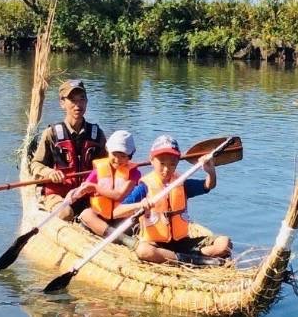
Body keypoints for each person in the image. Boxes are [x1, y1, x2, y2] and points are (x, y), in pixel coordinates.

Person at [114, 135, 232, 263]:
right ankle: (190, 259)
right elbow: (117, 212)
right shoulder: (144, 187)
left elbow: (208, 185)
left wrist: (210, 172)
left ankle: (189, 258)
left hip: (182, 242)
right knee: (143, 251)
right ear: (152, 160)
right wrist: (139, 205)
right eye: (162, 163)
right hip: (156, 244)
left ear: (177, 163)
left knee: (224, 243)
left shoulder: (181, 183)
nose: (166, 169)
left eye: (172, 164)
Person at [26, 79, 106, 218]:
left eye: (82, 99)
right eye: (72, 100)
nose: (78, 105)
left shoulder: (97, 134)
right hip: (58, 195)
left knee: (109, 212)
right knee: (65, 213)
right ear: (62, 103)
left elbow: (107, 164)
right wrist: (49, 172)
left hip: (86, 194)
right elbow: (35, 164)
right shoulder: (52, 134)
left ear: (86, 102)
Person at [71, 130, 144, 236]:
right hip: (100, 215)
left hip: (121, 217)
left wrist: (95, 188)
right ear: (108, 151)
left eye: (123, 156)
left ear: (130, 155)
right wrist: (75, 194)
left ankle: (120, 237)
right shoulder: (99, 170)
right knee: (86, 214)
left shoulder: (133, 173)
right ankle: (114, 235)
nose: (117, 159)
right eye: (114, 154)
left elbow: (119, 195)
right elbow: (85, 187)